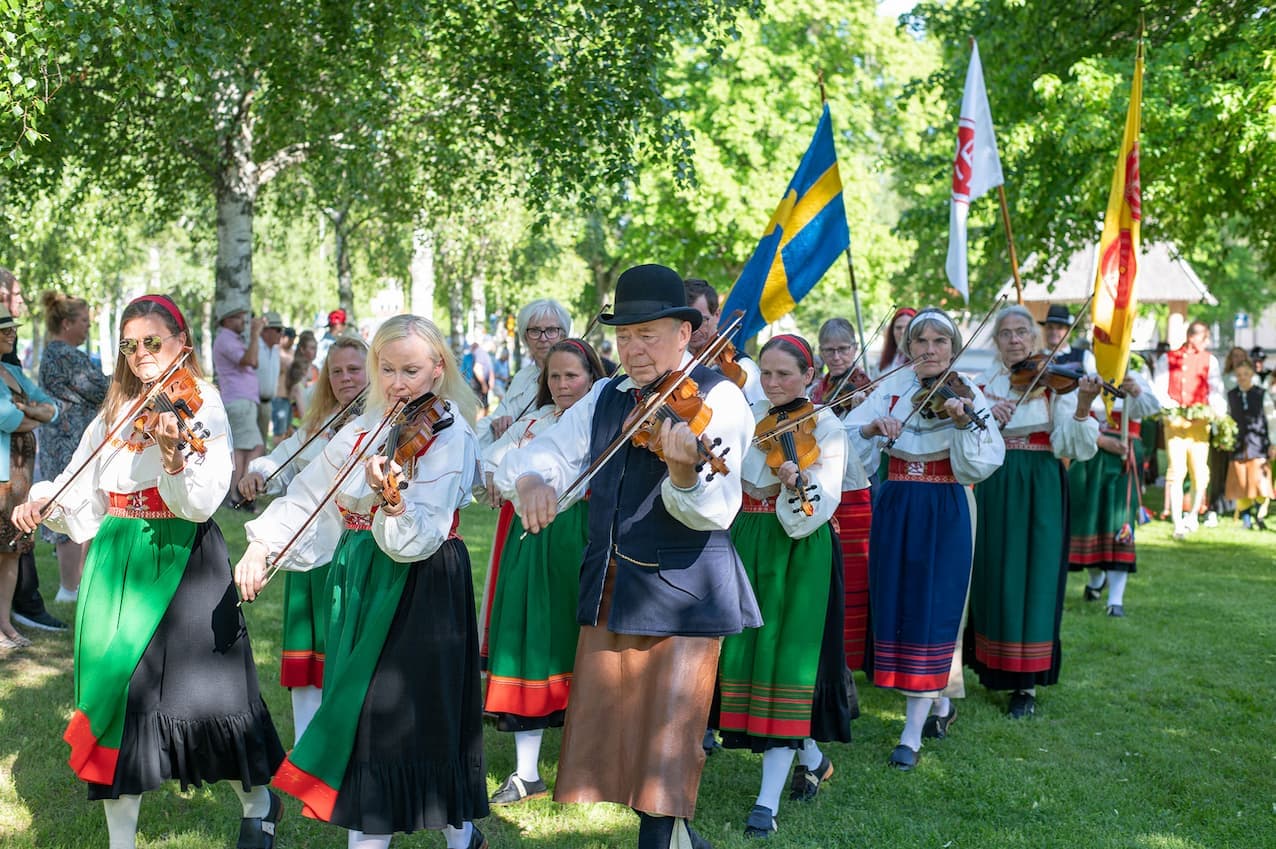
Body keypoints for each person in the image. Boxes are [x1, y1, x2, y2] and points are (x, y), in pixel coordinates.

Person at [496, 264, 760, 849]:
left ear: (685, 333)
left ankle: (662, 837)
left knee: (667, 741)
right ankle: (679, 839)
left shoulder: (719, 397)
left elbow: (714, 511)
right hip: (614, 582)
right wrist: (532, 479)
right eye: (624, 336)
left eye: (648, 334)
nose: (634, 348)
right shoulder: (608, 394)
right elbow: (547, 452)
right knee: (619, 733)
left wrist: (684, 473)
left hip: (685, 590)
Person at [13, 294, 284, 848]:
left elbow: (200, 503)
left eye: (152, 341)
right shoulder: (117, 407)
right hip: (116, 558)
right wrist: (45, 500)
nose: (140, 353)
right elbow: (81, 484)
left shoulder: (203, 402)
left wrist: (173, 458)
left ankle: (259, 802)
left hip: (180, 557)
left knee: (210, 700)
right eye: (130, 344)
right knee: (121, 701)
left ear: (181, 342)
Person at [235, 315, 488, 849]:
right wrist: (263, 544)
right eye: (387, 369)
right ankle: (463, 835)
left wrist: (391, 502)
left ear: (438, 370)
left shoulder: (451, 435)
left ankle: (458, 835)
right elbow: (310, 492)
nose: (397, 382)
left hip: (417, 584)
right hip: (359, 577)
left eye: (411, 371)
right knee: (375, 721)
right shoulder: (363, 427)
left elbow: (418, 536)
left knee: (394, 723)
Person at [845, 307, 1004, 770]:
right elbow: (847, 437)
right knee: (899, 604)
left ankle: (910, 735)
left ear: (953, 348)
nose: (930, 349)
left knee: (933, 608)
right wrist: (872, 428)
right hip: (896, 503)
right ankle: (940, 701)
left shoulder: (966, 391)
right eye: (921, 341)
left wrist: (963, 424)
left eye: (940, 341)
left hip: (943, 505)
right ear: (908, 346)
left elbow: (985, 458)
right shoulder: (892, 386)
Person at [718, 333, 852, 838]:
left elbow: (812, 512)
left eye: (784, 375)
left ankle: (766, 803)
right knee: (748, 655)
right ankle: (812, 758)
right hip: (744, 538)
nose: (773, 384)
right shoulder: (746, 415)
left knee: (784, 662)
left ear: (808, 375)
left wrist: (796, 481)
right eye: (767, 373)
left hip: (796, 546)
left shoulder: (827, 427)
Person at [481, 338, 606, 806]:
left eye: (572, 375)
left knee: (583, 643)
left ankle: (590, 764)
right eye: (554, 376)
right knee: (528, 639)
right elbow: (493, 458)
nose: (562, 384)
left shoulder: (601, 419)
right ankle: (527, 773)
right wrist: (497, 474)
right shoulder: (533, 421)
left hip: (581, 535)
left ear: (592, 378)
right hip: (530, 538)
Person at [968, 306, 1100, 718]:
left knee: (1035, 575)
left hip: (1040, 484)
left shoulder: (1053, 384)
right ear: (996, 340)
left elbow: (1074, 446)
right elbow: (964, 442)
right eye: (1006, 333)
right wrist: (987, 419)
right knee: (994, 572)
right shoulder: (982, 384)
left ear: (1035, 338)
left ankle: (1025, 682)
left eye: (1022, 332)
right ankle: (990, 662)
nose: (1014, 340)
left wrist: (1082, 405)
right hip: (994, 482)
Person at [236, 333, 368, 742]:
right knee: (306, 651)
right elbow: (283, 458)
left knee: (343, 649)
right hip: (303, 543)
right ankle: (303, 741)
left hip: (348, 548)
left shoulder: (379, 422)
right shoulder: (320, 423)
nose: (345, 378)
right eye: (336, 371)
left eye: (354, 369)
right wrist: (260, 471)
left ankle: (340, 739)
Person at [1069, 360, 1160, 616]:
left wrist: (1136, 391)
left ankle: (1115, 600)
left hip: (1123, 457)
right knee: (1088, 520)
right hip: (1089, 454)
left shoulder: (1134, 376)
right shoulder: (1087, 374)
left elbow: (1152, 408)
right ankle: (1096, 578)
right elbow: (1071, 415)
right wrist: (1099, 439)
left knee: (1119, 522)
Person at [37, 290, 110, 605]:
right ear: (66, 323)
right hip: (67, 441)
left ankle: (76, 586)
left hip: (65, 439)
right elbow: (100, 389)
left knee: (79, 507)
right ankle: (69, 589)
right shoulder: (65, 354)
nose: (86, 328)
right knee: (69, 508)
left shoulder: (56, 353)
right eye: (83, 322)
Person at [811, 317, 873, 671]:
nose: (836, 357)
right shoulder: (816, 390)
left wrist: (860, 412)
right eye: (829, 350)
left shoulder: (867, 389)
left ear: (854, 349)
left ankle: (853, 655)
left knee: (854, 573)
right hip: (822, 485)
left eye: (843, 349)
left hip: (854, 488)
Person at [0, 305, 58, 649]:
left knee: (13, 549)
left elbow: (51, 408)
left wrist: (27, 411)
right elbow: (7, 419)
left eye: (12, 329)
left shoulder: (12, 371)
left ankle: (5, 623)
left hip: (20, 476)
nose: (12, 334)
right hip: (1, 476)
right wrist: (29, 414)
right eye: (5, 329)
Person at [1153, 321, 1226, 539]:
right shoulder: (1168, 358)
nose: (1207, 343)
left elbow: (1215, 390)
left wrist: (1218, 412)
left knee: (1200, 472)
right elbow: (1159, 389)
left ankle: (1193, 515)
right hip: (1175, 424)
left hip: (1200, 424)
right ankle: (1177, 520)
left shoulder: (1209, 360)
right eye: (1205, 339)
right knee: (1176, 470)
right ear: (1193, 337)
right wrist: (1173, 409)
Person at [478, 298, 572, 447]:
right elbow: (499, 414)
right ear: (525, 337)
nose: (543, 338)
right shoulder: (522, 377)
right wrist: (496, 422)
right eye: (535, 331)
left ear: (563, 335)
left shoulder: (573, 377)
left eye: (551, 330)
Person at [212, 304, 266, 508]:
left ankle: (240, 496)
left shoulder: (231, 339)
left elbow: (253, 361)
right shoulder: (226, 339)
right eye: (239, 317)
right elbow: (251, 360)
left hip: (241, 399)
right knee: (252, 447)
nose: (244, 321)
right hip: (239, 399)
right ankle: (239, 495)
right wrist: (255, 334)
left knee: (243, 449)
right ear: (227, 320)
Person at [684, 277, 764, 404]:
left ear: (717, 315)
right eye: (686, 321)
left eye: (702, 320)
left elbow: (761, 411)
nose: (693, 329)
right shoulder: (675, 363)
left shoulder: (744, 367)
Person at [1225, 360, 1276, 529]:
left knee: (1261, 484)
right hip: (1239, 446)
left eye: (1246, 374)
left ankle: (1260, 516)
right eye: (1239, 375)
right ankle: (1246, 519)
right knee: (1242, 483)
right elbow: (1227, 418)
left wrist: (1273, 443)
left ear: (1252, 375)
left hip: (1258, 445)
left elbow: (1271, 420)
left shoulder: (1261, 394)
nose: (1242, 378)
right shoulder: (1231, 395)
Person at [256, 311, 285, 450]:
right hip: (254, 403)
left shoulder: (275, 350)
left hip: (267, 404)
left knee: (261, 445)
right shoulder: (256, 347)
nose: (281, 334)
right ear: (266, 330)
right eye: (278, 330)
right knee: (252, 447)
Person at [1039, 304, 1097, 372]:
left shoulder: (1085, 356)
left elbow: (1093, 376)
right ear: (1045, 330)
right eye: (1050, 327)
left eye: (1060, 328)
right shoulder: (1037, 357)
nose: (1054, 332)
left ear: (1069, 332)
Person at [875, 306, 916, 375]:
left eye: (907, 327)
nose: (902, 332)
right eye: (898, 328)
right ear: (892, 331)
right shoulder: (883, 360)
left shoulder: (921, 362)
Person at [273, 326, 297, 439]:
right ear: (283, 337)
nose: (292, 342)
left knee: (289, 430)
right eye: (290, 339)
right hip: (279, 396)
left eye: (293, 339)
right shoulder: (275, 351)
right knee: (280, 432)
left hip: (290, 398)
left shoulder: (293, 352)